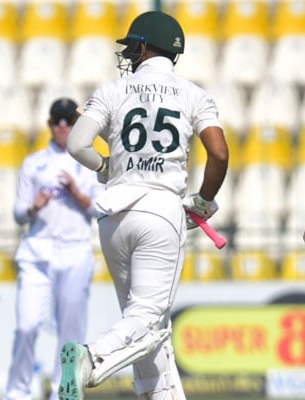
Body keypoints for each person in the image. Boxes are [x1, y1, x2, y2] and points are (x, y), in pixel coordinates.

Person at [62, 11, 228, 400]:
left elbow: (76, 145)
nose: (128, 54)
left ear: (142, 46)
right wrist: (203, 203)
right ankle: (91, 358)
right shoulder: (193, 94)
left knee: (144, 327)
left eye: (131, 46)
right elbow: (218, 154)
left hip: (114, 217)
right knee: (149, 324)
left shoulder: (112, 90)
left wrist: (105, 168)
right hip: (160, 212)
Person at [3, 97, 105, 400]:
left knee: (70, 333)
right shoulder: (34, 163)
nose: (63, 126)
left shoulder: (90, 163)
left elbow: (100, 209)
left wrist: (76, 193)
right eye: (57, 120)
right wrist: (34, 207)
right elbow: (18, 213)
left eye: (69, 120)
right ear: (50, 124)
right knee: (27, 326)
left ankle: (64, 392)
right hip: (37, 251)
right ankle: (17, 392)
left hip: (74, 251)